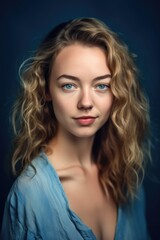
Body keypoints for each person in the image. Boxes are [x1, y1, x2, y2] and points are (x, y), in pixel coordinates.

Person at [1, 17, 151, 240]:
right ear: (46, 90)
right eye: (69, 85)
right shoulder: (30, 195)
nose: (86, 102)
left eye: (102, 85)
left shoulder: (128, 177)